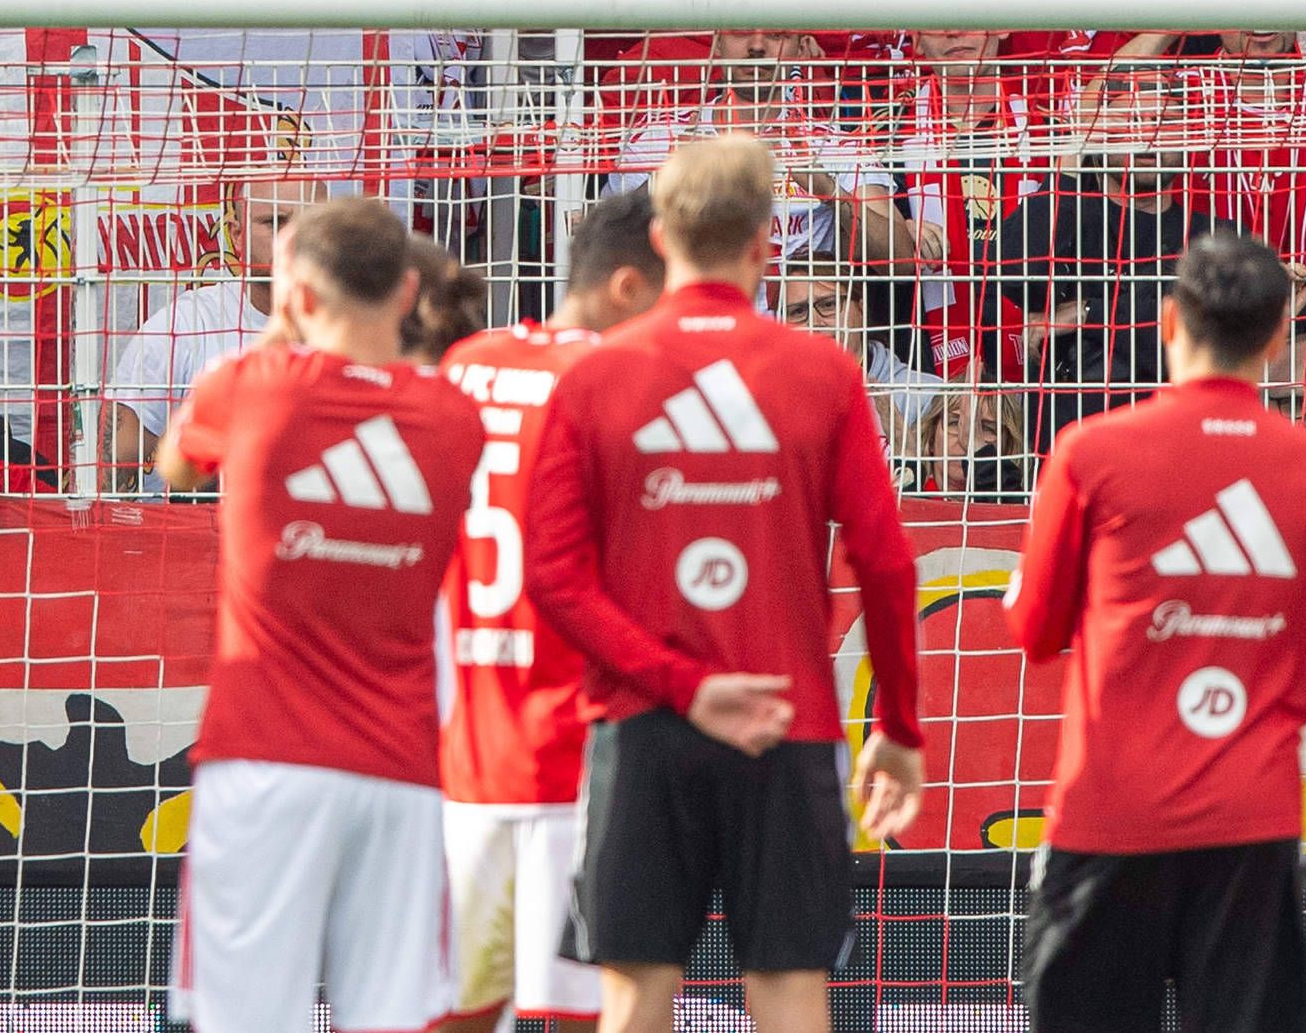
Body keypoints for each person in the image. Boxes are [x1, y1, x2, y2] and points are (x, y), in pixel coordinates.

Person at [520, 133, 923, 1033]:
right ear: (766, 243)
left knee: (633, 994)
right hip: (786, 723)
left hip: (643, 727)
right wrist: (897, 725)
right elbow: (887, 563)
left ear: (658, 239)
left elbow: (550, 576)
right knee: (788, 992)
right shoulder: (822, 371)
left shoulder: (595, 375)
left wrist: (684, 688)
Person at [1006, 225, 1306, 1033]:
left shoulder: (1091, 450)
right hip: (1252, 819)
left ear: (1168, 321)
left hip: (1110, 812)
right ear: (1281, 335)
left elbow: (1033, 631)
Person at [150, 197, 485, 1033]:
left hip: (265, 764)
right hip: (403, 773)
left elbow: (174, 467)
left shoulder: (250, 384)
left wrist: (278, 329)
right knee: (396, 1017)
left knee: (245, 1018)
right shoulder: (455, 417)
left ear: (297, 298)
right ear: (408, 296)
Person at [433, 187, 666, 1033]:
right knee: (595, 1009)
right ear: (631, 287)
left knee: (455, 1009)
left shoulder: (466, 364)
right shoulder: (621, 383)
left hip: (467, 751)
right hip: (580, 752)